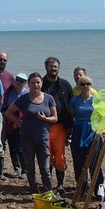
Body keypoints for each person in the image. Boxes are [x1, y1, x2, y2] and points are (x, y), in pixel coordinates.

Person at [5, 72, 57, 194]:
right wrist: (19, 122)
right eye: (33, 83)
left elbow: (55, 118)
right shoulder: (23, 99)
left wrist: (45, 119)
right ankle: (34, 192)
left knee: (45, 168)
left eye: (38, 82)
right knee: (30, 168)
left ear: (42, 83)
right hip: (27, 137)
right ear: (28, 84)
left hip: (43, 138)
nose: (36, 85)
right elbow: (8, 113)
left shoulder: (49, 98)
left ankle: (48, 192)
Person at [40, 56, 73, 194]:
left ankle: (60, 185)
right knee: (46, 156)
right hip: (44, 126)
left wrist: (70, 128)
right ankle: (47, 184)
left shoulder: (65, 85)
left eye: (56, 66)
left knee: (59, 156)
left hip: (61, 127)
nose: (53, 68)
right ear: (46, 67)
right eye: (51, 66)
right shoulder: (40, 84)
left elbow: (71, 107)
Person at [69, 75, 103, 199]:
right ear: (79, 86)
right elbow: (72, 117)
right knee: (79, 161)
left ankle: (98, 189)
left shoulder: (96, 100)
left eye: (88, 84)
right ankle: (82, 188)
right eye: (82, 84)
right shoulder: (74, 101)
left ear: (91, 85)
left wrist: (99, 131)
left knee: (94, 160)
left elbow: (100, 117)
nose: (85, 87)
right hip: (78, 130)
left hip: (92, 131)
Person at [0, 51, 14, 181]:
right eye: (0, 59)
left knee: (0, 141)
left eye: (4, 60)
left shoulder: (10, 77)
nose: (2, 62)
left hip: (2, 113)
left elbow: (17, 93)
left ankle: (0, 172)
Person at [2, 72, 29, 179]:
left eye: (21, 81)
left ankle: (25, 169)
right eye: (17, 79)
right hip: (9, 121)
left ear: (25, 83)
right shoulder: (10, 92)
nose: (18, 82)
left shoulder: (26, 94)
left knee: (21, 148)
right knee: (12, 147)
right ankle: (16, 168)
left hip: (21, 124)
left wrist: (19, 122)